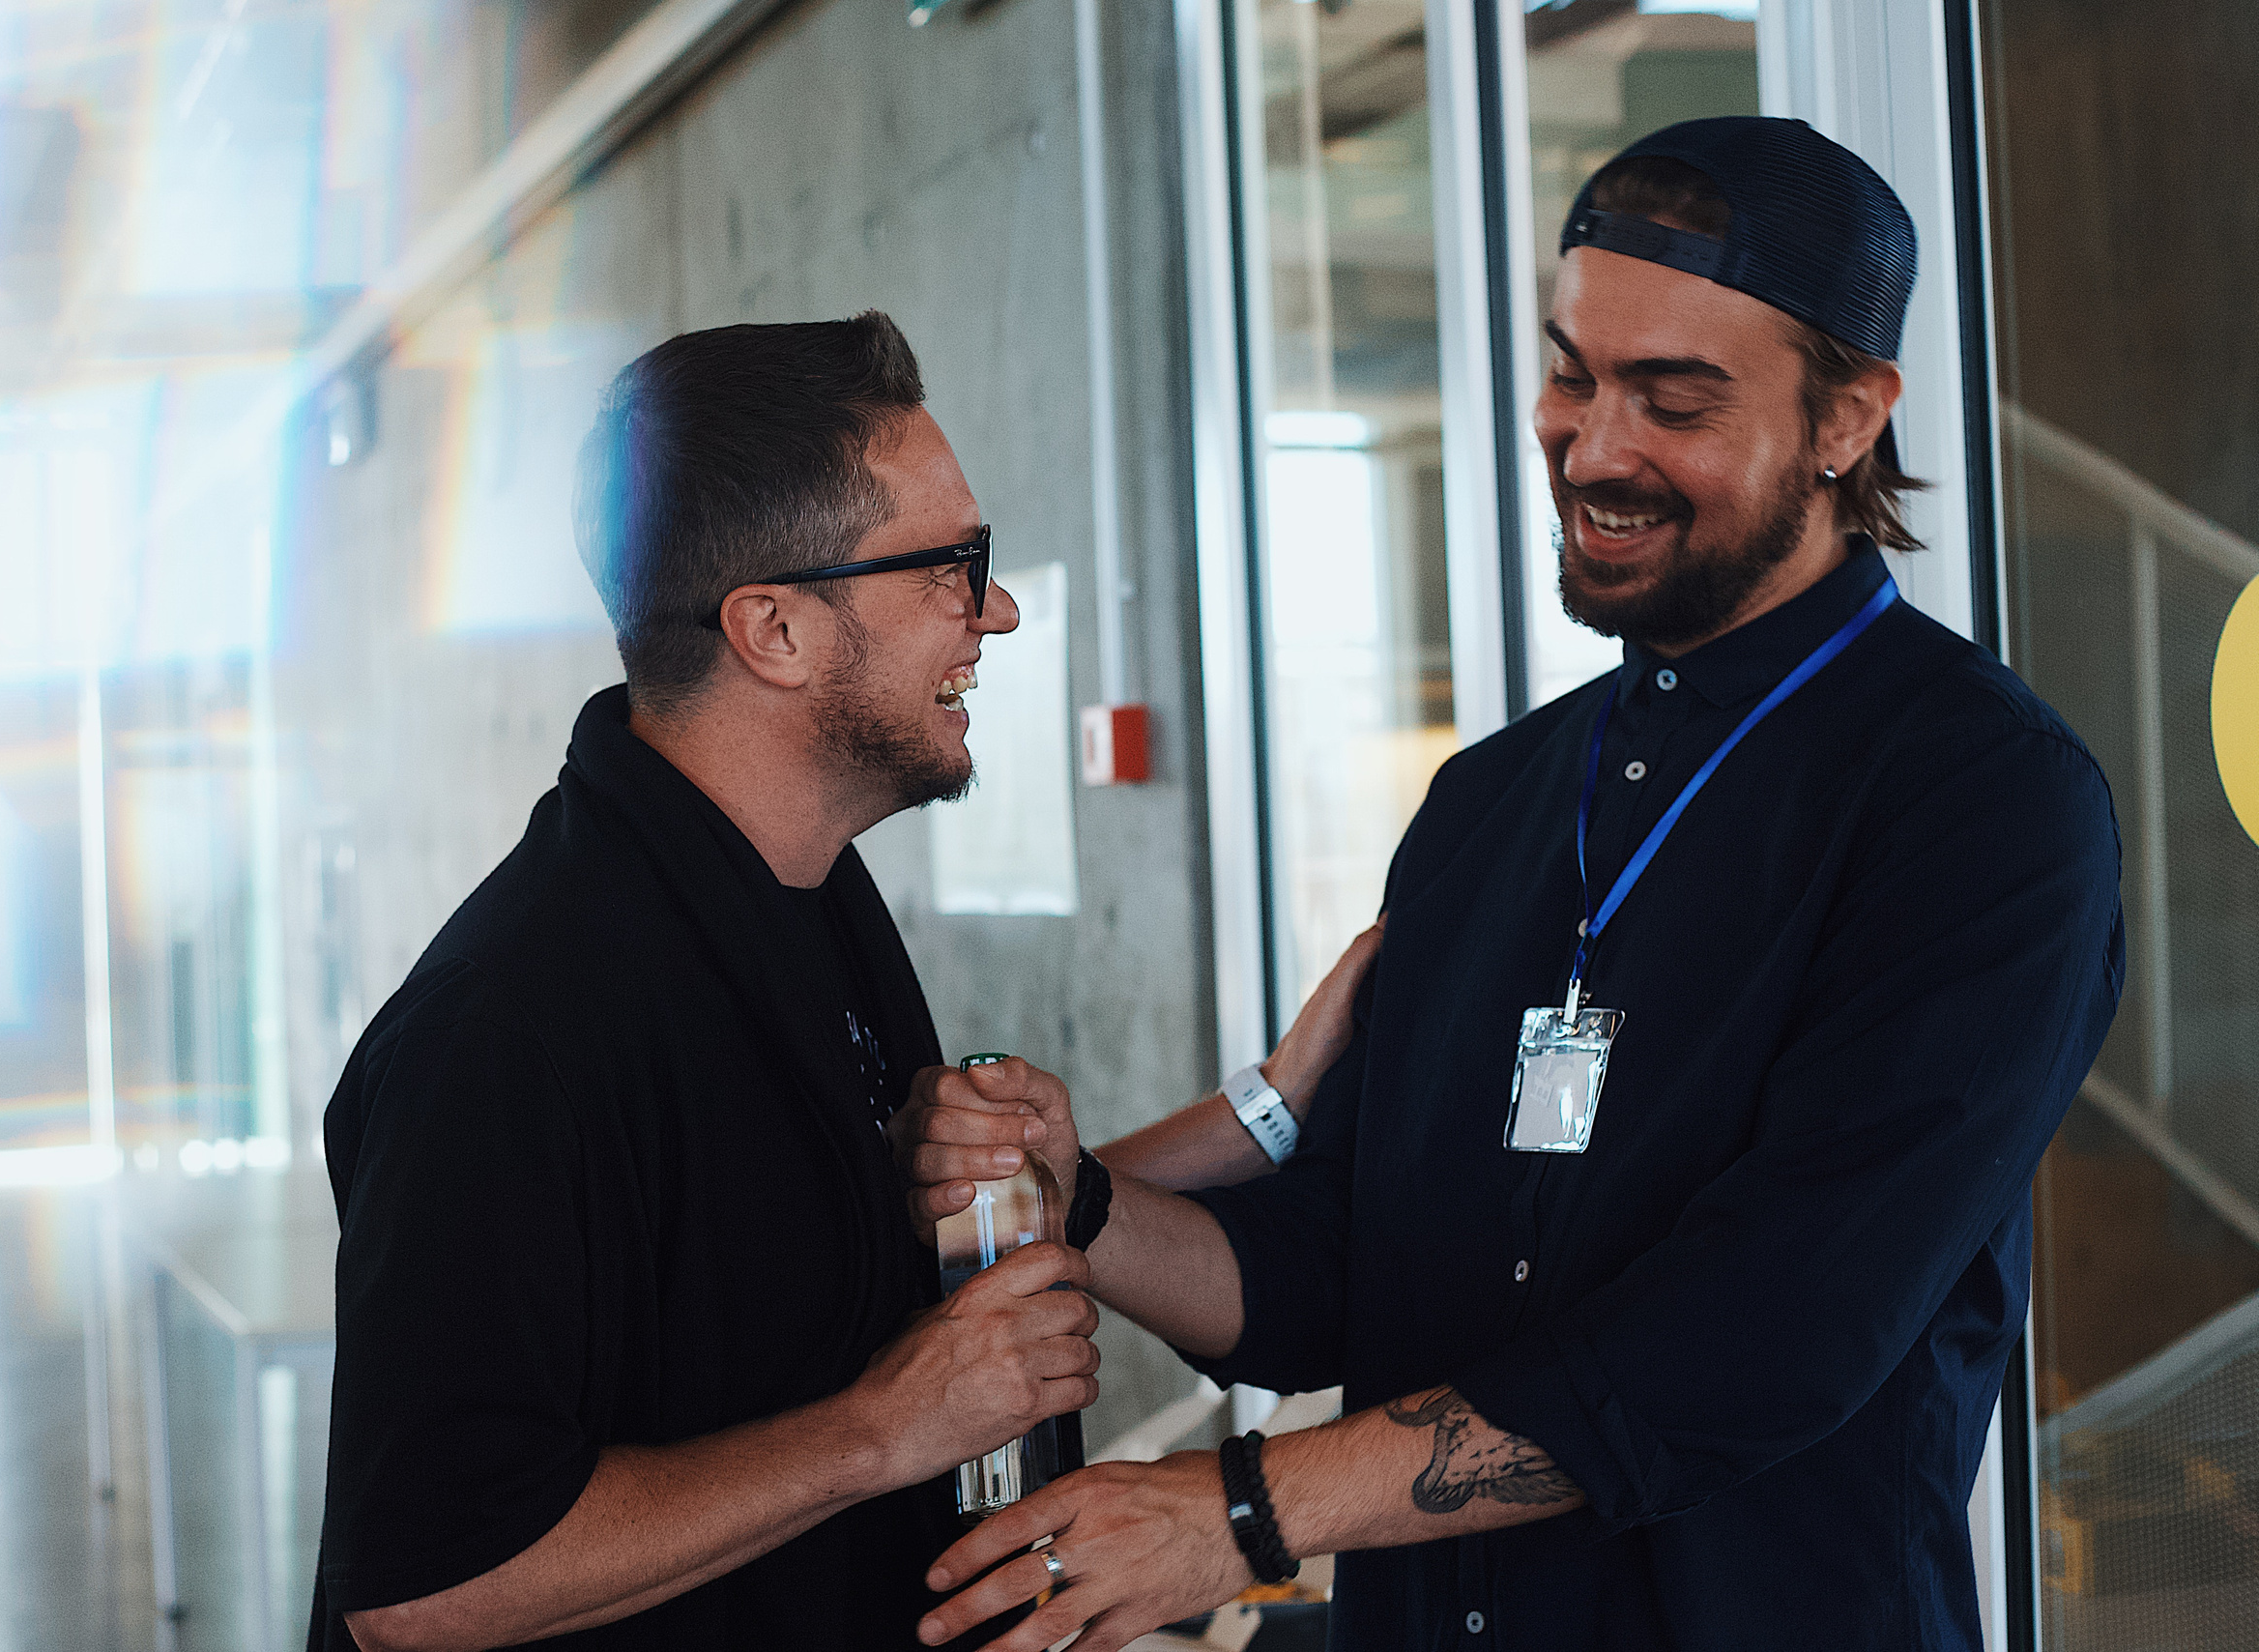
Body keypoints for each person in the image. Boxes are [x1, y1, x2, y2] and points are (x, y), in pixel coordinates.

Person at [905, 118, 2125, 1652]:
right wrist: (1079, 1197)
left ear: (1850, 418)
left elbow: (1767, 1334)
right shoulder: (1489, 804)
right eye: (1572, 376)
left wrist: (1238, 1514)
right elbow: (1331, 1278)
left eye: (1674, 401)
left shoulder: (1983, 801)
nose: (1594, 449)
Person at [306, 312, 1113, 1652]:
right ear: (774, 630)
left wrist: (944, 1192)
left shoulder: (809, 895)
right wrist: (881, 1428)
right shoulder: (505, 1030)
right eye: (953, 567)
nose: (999, 609)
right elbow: (420, 1585)